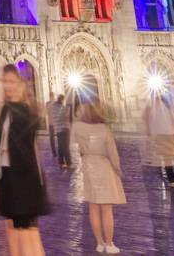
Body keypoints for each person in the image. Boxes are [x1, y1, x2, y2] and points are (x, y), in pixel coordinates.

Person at [0, 64, 47, 256]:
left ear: (21, 84)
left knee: (28, 234)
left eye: (12, 81)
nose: (8, 86)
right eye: (5, 81)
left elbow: (29, 149)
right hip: (8, 177)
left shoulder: (23, 110)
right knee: (13, 230)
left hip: (24, 180)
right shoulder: (7, 109)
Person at [72, 102, 125, 255]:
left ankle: (99, 243)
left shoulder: (78, 128)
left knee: (93, 206)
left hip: (88, 166)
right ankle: (109, 243)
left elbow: (73, 147)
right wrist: (117, 168)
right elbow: (112, 153)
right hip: (103, 166)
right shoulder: (103, 129)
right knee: (106, 208)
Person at [143, 91, 174, 186]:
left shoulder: (158, 108)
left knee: (168, 160)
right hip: (170, 134)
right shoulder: (169, 107)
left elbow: (152, 122)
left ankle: (172, 180)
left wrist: (152, 135)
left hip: (162, 135)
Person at [48, 96, 70, 169]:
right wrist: (67, 108)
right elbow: (65, 116)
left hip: (58, 129)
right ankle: (68, 163)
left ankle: (61, 163)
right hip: (64, 128)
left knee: (60, 146)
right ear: (62, 100)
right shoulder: (62, 108)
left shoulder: (53, 108)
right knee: (66, 146)